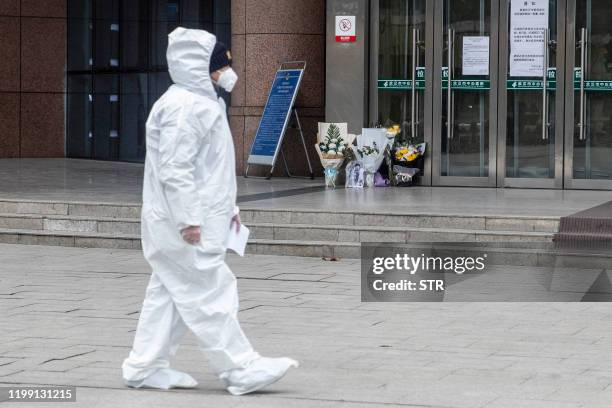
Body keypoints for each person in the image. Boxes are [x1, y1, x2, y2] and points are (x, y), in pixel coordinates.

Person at [121, 27, 298, 395]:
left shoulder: (200, 104)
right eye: (219, 66)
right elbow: (175, 169)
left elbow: (209, 169)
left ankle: (144, 366)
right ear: (200, 67)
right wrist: (188, 221)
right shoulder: (185, 108)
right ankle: (240, 368)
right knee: (211, 291)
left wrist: (228, 209)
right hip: (184, 225)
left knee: (169, 293)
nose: (226, 72)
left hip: (196, 220)